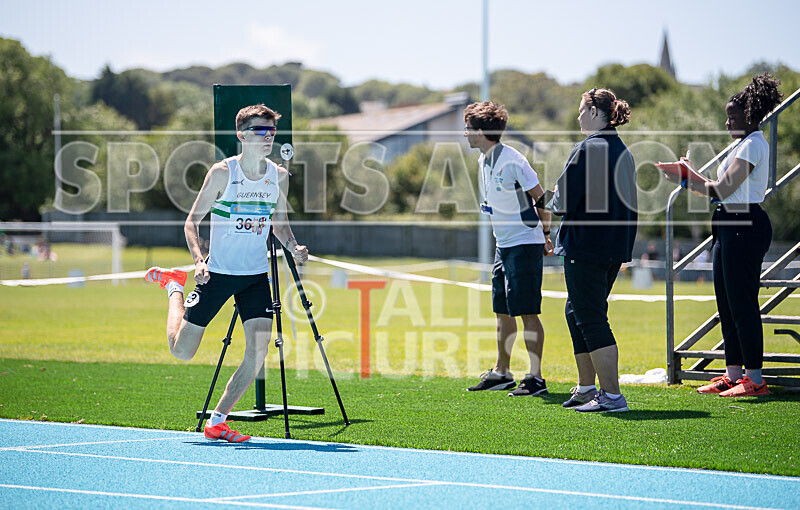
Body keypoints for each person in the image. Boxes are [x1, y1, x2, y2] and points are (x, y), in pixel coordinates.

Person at [145, 104, 308, 442]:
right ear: (241, 134)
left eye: (271, 131)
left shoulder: (278, 176)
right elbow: (192, 221)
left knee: (258, 351)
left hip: (255, 277)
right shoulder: (222, 173)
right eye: (260, 130)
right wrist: (198, 261)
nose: (268, 137)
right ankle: (174, 287)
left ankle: (217, 420)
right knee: (182, 351)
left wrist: (294, 247)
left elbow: (279, 224)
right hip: (216, 273)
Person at [663, 74, 783, 397]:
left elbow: (723, 189)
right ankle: (733, 374)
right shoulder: (740, 144)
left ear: (750, 116)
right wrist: (690, 174)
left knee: (743, 303)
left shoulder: (755, 143)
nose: (726, 121)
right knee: (726, 304)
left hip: (746, 225)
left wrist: (688, 179)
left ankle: (754, 379)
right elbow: (721, 192)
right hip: (727, 224)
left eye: (732, 116)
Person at [550, 88, 637, 412]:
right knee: (577, 312)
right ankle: (587, 388)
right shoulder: (623, 150)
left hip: (587, 245)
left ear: (596, 112)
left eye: (582, 109)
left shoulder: (588, 148)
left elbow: (563, 201)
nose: (578, 115)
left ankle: (612, 396)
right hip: (611, 248)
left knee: (590, 316)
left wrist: (547, 198)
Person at [463, 101, 554, 396]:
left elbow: (541, 197)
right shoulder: (482, 161)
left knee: (527, 311)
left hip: (525, 244)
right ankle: (502, 372)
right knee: (502, 311)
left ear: (481, 131)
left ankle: (536, 377)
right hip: (503, 245)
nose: (465, 134)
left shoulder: (513, 160)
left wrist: (547, 233)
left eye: (468, 129)